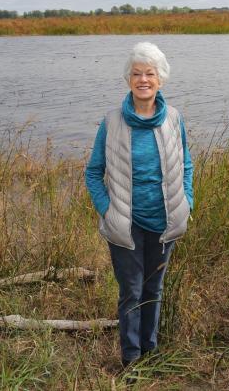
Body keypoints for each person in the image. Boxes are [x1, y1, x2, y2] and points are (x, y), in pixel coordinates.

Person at [85, 42, 194, 370]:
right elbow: (93, 172)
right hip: (126, 223)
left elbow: (186, 163)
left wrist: (186, 201)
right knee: (131, 293)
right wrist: (106, 209)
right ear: (128, 79)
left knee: (154, 289)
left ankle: (151, 351)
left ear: (160, 79)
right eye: (136, 74)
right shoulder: (112, 121)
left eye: (150, 73)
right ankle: (131, 360)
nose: (143, 79)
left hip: (165, 223)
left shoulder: (173, 119)